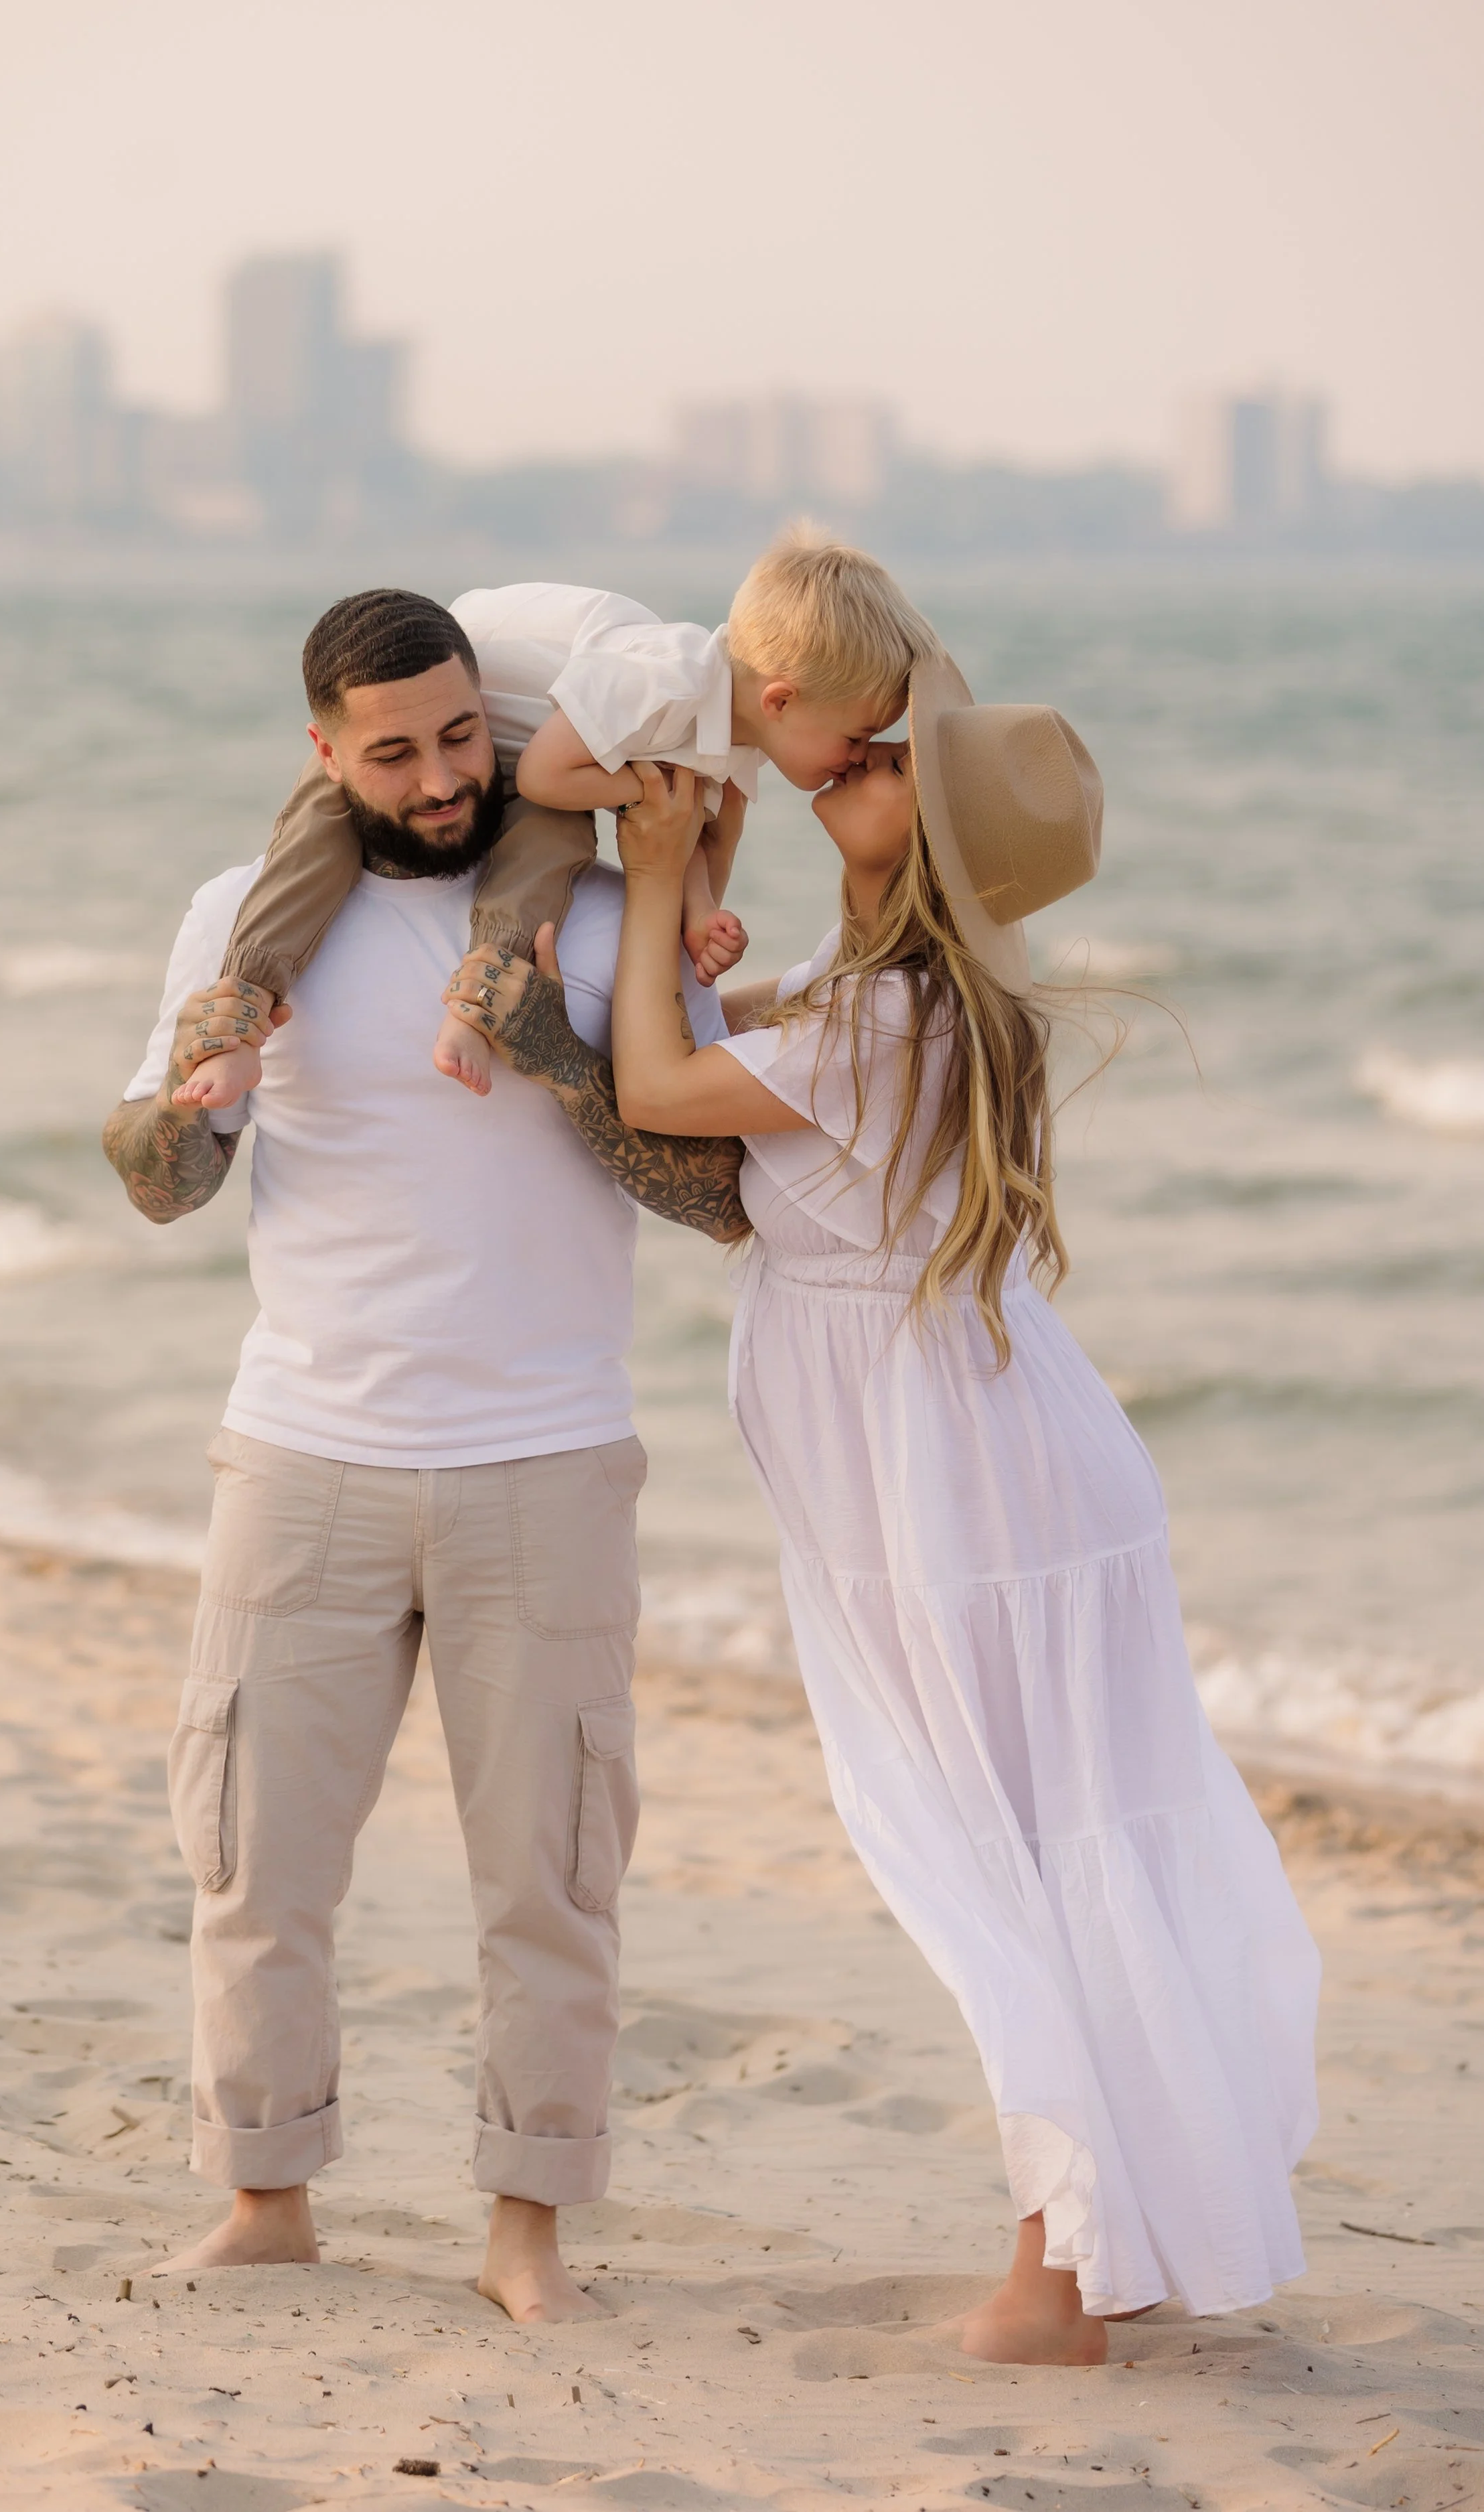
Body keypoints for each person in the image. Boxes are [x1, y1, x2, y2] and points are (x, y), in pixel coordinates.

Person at [443, 642, 1321, 2364]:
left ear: (942, 833)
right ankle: (1099, 2243)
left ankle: (1057, 2279)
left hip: (958, 1483)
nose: (859, 752)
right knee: (1041, 1841)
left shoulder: (892, 1011)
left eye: (899, 753)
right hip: (975, 1452)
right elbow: (712, 1062)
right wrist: (700, 922)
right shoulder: (887, 998)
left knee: (1004, 1851)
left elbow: (651, 1092)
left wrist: (668, 876)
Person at [102, 588, 748, 2321]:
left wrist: (559, 1061)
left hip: (543, 1455)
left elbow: (719, 1197)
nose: (442, 774)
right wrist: (185, 1094)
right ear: (323, 753)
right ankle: (265, 2194)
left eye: (463, 733)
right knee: (252, 1855)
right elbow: (157, 1178)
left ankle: (524, 2230)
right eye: (393, 749)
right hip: (299, 1446)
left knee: (548, 1869)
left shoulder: (604, 919)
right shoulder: (238, 920)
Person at [172, 532, 926, 1108]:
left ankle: (475, 1003)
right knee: (307, 859)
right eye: (857, 737)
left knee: (549, 853)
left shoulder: (733, 742)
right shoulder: (661, 680)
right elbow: (546, 776)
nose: (859, 757)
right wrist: (640, 790)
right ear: (781, 701)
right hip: (431, 721)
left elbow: (690, 830)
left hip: (533, 749)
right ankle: (239, 1019)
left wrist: (700, 916)